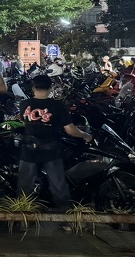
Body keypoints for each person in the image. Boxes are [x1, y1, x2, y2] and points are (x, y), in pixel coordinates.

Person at [18, 74, 92, 210]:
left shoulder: (24, 104)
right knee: (58, 186)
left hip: (29, 150)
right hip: (50, 150)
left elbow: (24, 123)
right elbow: (70, 130)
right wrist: (86, 135)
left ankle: (22, 219)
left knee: (24, 186)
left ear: (33, 88)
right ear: (50, 88)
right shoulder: (57, 105)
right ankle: (65, 220)